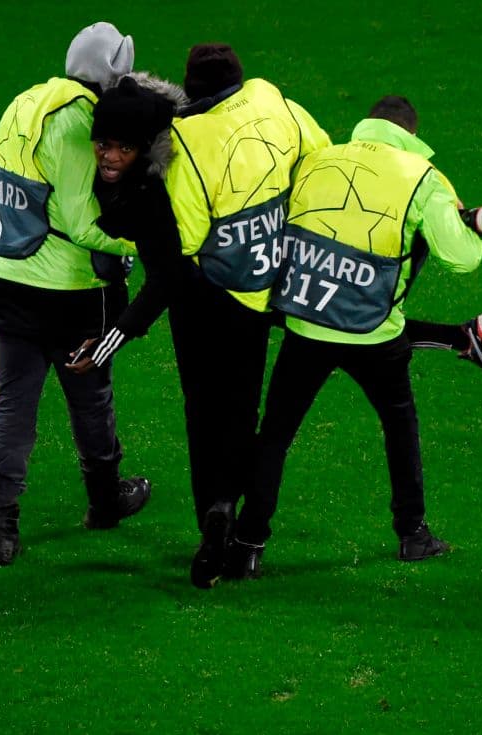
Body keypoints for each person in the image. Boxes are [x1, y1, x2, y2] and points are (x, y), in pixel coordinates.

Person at [203, 94, 482, 584]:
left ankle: (248, 546)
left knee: (275, 435)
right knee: (398, 426)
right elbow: (462, 259)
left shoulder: (318, 160)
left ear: (366, 126)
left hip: (305, 322)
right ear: (411, 134)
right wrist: (466, 222)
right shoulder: (422, 178)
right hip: (373, 334)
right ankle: (412, 534)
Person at [0, 22, 150, 567]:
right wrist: (137, 242)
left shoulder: (25, 101)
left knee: (13, 405)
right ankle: (104, 503)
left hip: (8, 276)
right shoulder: (78, 119)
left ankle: (0, 527)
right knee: (91, 397)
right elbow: (82, 223)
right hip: (71, 290)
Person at [160, 43, 331, 586]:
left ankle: (208, 508)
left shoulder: (185, 139)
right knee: (241, 406)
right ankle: (230, 507)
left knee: (200, 405)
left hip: (205, 294)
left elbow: (185, 239)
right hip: (260, 292)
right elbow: (322, 155)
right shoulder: (272, 101)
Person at [65, 74, 186, 372]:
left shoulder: (151, 194)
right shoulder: (86, 163)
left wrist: (108, 342)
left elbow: (164, 280)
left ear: (143, 150)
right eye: (103, 144)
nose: (111, 158)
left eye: (126, 149)